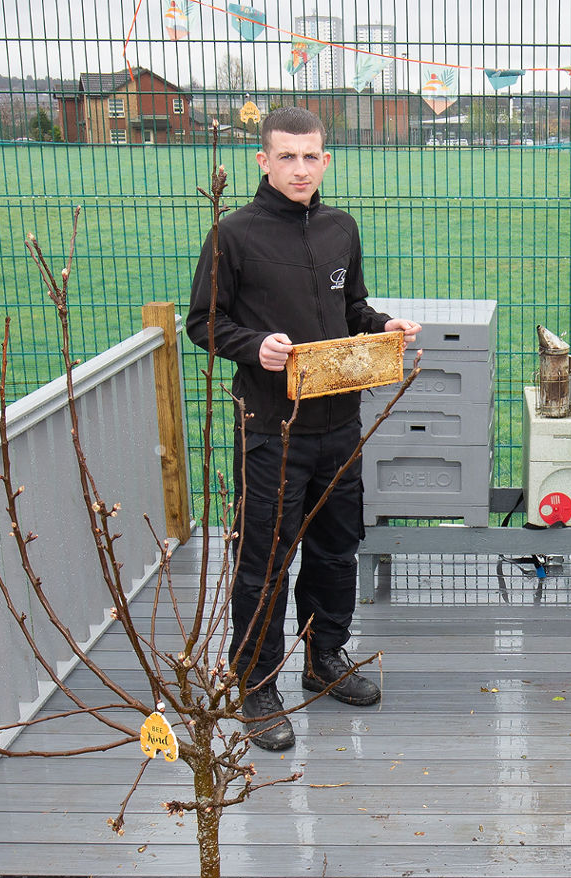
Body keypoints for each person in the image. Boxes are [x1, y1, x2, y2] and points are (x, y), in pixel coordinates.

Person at [186, 106, 420, 752]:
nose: (298, 168)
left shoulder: (341, 229)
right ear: (263, 162)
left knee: (334, 547)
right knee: (263, 560)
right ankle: (256, 682)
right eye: (285, 157)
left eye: (309, 156)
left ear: (325, 161)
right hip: (269, 427)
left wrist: (382, 326)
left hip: (338, 420)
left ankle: (324, 656)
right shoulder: (232, 235)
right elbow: (202, 322)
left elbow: (351, 307)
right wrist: (252, 344)